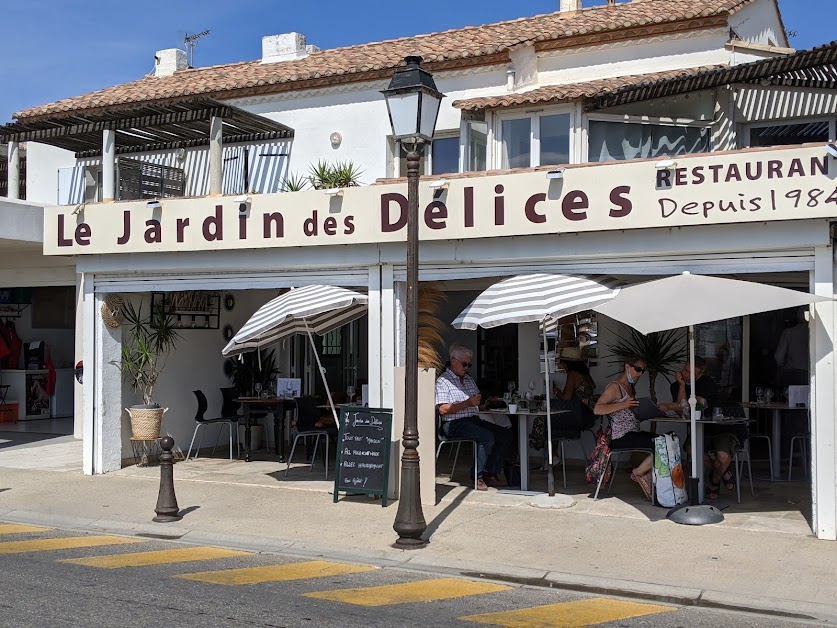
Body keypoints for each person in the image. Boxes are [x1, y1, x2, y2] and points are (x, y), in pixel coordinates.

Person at [659, 357, 740, 500]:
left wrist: (668, 406)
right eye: (684, 369)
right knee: (690, 448)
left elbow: (694, 403)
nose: (685, 374)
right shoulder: (676, 385)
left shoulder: (708, 383)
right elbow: (682, 410)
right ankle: (723, 472)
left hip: (720, 428)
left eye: (690, 372)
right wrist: (682, 386)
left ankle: (714, 482)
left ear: (699, 374)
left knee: (723, 456)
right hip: (698, 430)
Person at [436, 344, 514, 491]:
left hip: (472, 419)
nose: (467, 367)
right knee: (486, 437)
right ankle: (476, 477)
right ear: (454, 361)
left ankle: (490, 473)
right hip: (453, 423)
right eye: (464, 364)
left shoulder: (469, 380)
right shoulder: (443, 381)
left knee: (505, 434)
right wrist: (467, 403)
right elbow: (443, 409)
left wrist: (483, 403)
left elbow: (476, 401)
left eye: (469, 364)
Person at [593, 355, 655, 500]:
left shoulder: (630, 387)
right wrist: (623, 404)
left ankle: (645, 476)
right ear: (627, 366)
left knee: (668, 439)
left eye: (642, 371)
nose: (639, 374)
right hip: (621, 436)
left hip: (632, 432)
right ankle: (638, 472)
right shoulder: (615, 387)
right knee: (663, 443)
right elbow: (598, 409)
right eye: (638, 369)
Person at [529, 347, 596, 458]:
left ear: (567, 363)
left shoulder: (573, 374)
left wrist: (557, 392)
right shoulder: (586, 376)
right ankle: (553, 453)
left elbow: (566, 398)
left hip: (575, 416)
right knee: (552, 422)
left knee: (542, 420)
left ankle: (541, 447)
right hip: (587, 416)